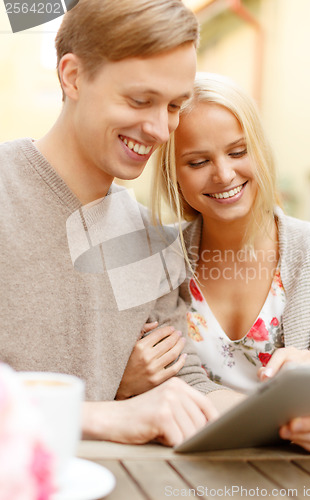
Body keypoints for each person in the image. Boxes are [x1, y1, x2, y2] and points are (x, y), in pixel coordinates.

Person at [0, 2, 244, 448]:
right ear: (72, 77)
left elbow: (185, 383)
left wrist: (288, 416)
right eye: (139, 100)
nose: (159, 129)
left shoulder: (146, 239)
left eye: (174, 106)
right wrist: (100, 415)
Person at [119, 73, 310, 455]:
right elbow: (139, 395)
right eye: (198, 161)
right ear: (174, 174)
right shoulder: (156, 262)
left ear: (260, 150)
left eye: (238, 152)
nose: (223, 174)